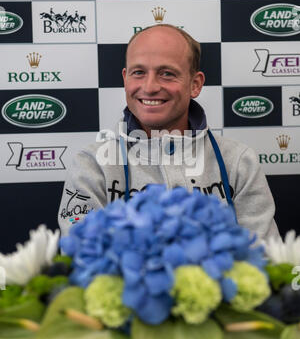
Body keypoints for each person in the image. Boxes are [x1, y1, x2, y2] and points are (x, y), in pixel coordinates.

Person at [58, 24, 280, 240]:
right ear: (125, 79)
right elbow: (84, 259)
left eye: (167, 73)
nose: (150, 86)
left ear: (195, 84)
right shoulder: (91, 164)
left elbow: (266, 262)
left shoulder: (240, 162)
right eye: (138, 72)